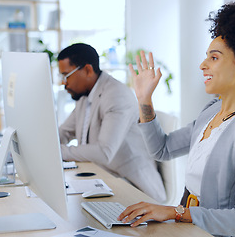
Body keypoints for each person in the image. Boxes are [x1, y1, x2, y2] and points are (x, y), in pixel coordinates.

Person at [118, 1, 235, 237]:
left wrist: (175, 212)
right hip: (187, 228)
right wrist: (144, 100)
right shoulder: (212, 111)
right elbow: (162, 149)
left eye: (214, 58)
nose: (203, 65)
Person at [57, 43, 166, 202]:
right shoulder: (84, 95)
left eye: (66, 75)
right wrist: (40, 148)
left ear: (87, 70)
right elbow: (65, 132)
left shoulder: (116, 95)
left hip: (135, 188)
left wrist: (58, 151)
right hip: (103, 179)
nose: (63, 82)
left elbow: (104, 152)